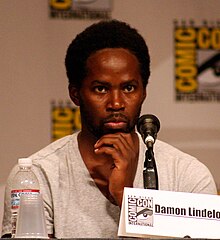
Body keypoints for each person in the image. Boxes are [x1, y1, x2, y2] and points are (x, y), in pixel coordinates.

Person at [1, 19, 217, 238]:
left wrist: (127, 198)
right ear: (75, 94)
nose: (116, 103)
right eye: (101, 89)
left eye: (129, 88)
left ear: (143, 92)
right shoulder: (35, 177)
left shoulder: (188, 176)